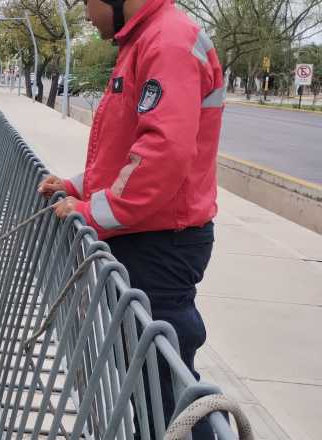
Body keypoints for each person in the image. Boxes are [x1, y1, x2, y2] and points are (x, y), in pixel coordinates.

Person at [37, 0, 223, 438]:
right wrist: (78, 186)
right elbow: (124, 157)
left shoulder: (167, 41)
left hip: (161, 242)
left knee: (162, 380)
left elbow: (163, 155)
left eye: (88, 3)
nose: (86, 15)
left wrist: (92, 212)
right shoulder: (145, 41)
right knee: (144, 380)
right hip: (147, 233)